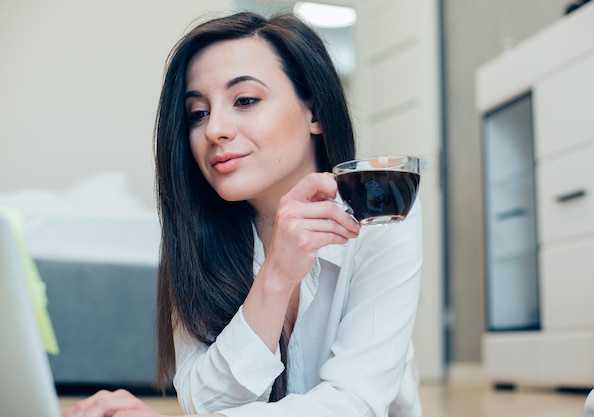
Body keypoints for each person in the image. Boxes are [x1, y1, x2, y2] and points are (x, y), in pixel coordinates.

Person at [63, 10, 423, 417]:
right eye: (198, 113)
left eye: (245, 100)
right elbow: (202, 400)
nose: (214, 129)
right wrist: (276, 276)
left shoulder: (381, 211)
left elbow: (355, 402)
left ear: (315, 112)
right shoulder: (194, 234)